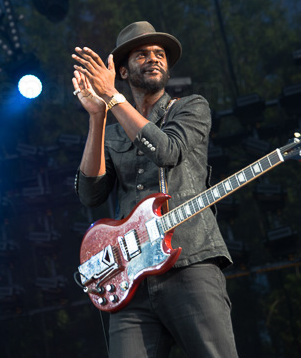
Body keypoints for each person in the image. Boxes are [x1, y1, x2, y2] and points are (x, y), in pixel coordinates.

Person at [71, 21, 238, 358]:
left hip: (189, 263)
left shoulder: (191, 107)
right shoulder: (113, 132)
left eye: (160, 54)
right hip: (131, 282)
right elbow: (91, 195)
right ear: (122, 71)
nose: (154, 59)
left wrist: (113, 97)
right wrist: (97, 116)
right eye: (142, 55)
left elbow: (167, 152)